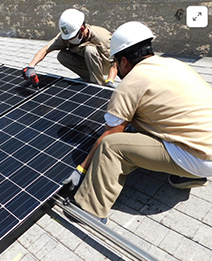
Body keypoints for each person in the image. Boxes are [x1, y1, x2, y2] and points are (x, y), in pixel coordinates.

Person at [63, 21, 212, 222]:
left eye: (115, 62)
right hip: (205, 143)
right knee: (141, 121)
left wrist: (81, 169)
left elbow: (110, 135)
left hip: (198, 156)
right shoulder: (174, 63)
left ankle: (89, 208)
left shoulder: (130, 82)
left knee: (112, 147)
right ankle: (188, 175)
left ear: (124, 61)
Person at [22, 8, 117, 87]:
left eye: (73, 37)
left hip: (104, 64)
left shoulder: (101, 36)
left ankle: (98, 85)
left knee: (89, 50)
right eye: (69, 38)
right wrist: (31, 66)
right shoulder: (65, 36)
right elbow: (46, 49)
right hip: (87, 62)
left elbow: (115, 60)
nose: (70, 40)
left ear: (82, 29)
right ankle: (91, 79)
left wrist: (110, 80)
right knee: (62, 56)